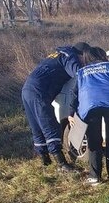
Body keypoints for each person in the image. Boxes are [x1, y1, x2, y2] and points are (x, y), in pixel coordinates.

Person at [70, 46, 109, 186]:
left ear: (87, 58)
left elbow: (74, 94)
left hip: (90, 107)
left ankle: (95, 177)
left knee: (94, 142)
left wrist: (71, 113)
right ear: (102, 55)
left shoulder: (81, 72)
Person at [22, 41, 88, 172]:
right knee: (49, 126)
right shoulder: (70, 56)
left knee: (37, 127)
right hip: (39, 91)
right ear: (82, 54)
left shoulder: (58, 54)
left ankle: (45, 161)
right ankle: (62, 164)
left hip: (27, 89)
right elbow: (78, 73)